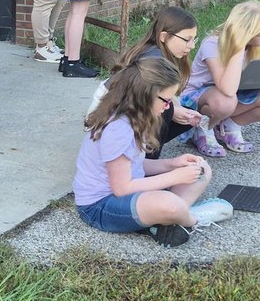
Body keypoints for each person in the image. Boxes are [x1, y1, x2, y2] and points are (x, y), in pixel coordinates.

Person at [73, 55, 233, 247]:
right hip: (100, 206)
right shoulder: (118, 129)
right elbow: (121, 188)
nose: (168, 106)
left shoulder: (135, 117)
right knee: (169, 204)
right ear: (145, 95)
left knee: (202, 169)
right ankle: (192, 218)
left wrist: (172, 164)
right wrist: (174, 177)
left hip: (127, 194)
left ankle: (170, 218)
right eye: (166, 100)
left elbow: (135, 164)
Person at [89, 6, 205, 157]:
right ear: (164, 36)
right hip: (111, 116)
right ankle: (147, 159)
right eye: (187, 40)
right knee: (166, 111)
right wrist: (173, 110)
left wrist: (177, 109)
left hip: (120, 110)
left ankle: (143, 153)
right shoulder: (154, 59)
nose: (192, 46)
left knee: (178, 113)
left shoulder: (156, 51)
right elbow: (138, 100)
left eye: (194, 39)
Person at [181, 0, 260, 157]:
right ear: (248, 32)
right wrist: (239, 46)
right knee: (225, 102)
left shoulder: (253, 47)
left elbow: (245, 81)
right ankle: (204, 128)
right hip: (197, 98)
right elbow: (227, 89)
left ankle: (230, 126)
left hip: (232, 93)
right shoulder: (212, 44)